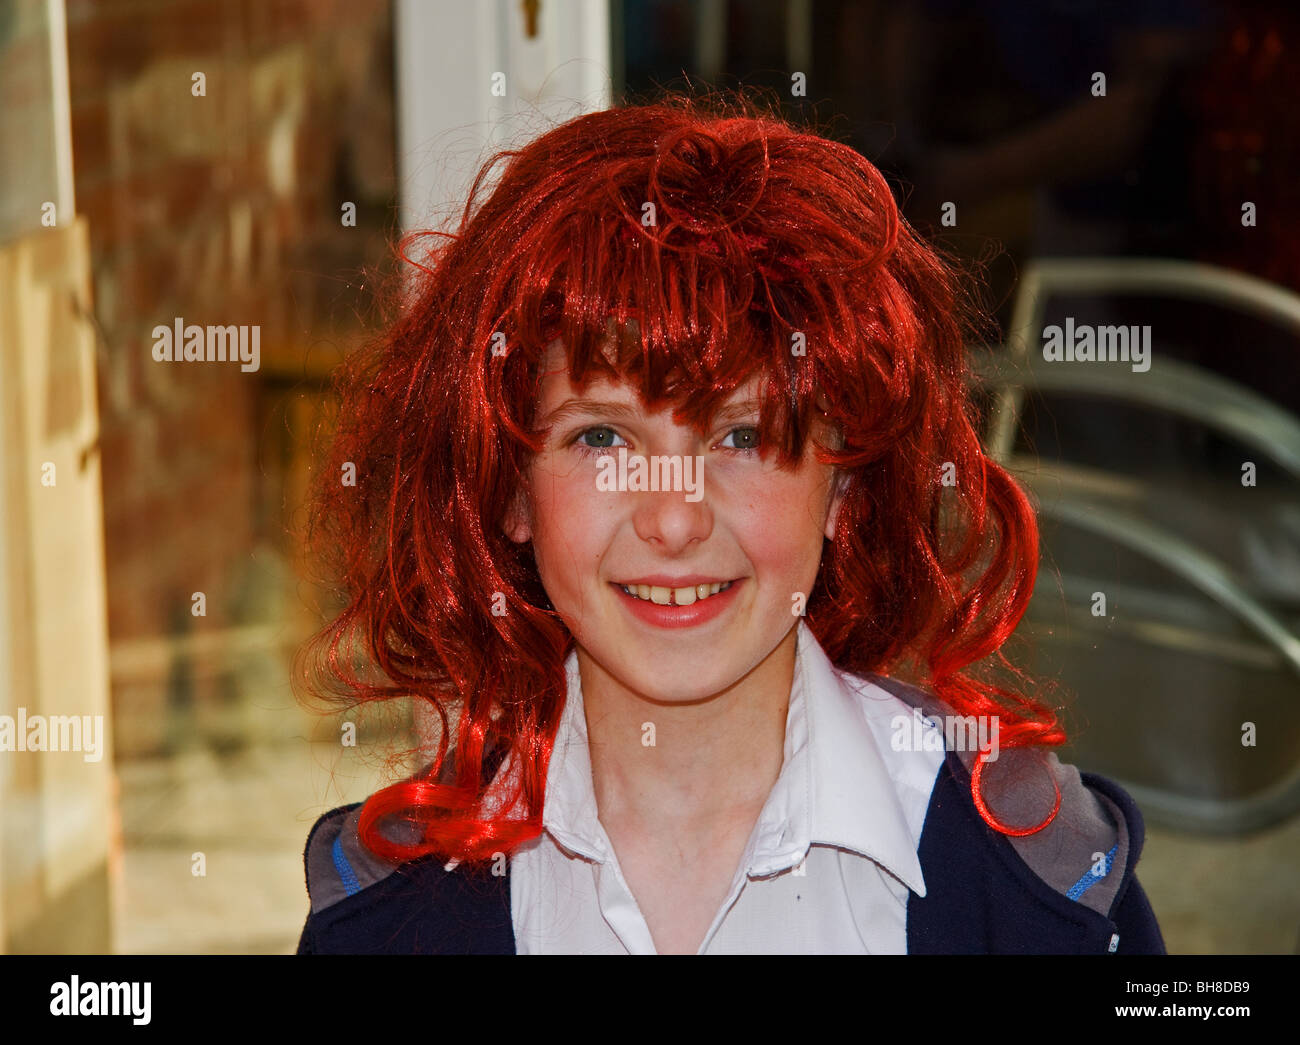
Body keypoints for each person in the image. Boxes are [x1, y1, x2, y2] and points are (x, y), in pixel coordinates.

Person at [294, 91, 1165, 955]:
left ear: (846, 486)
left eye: (742, 435)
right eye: (601, 435)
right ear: (511, 491)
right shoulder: (382, 921)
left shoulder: (1044, 890)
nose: (674, 517)